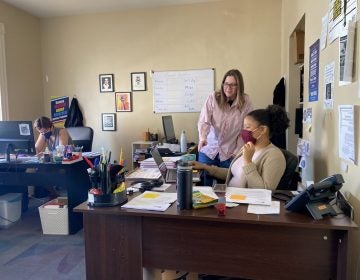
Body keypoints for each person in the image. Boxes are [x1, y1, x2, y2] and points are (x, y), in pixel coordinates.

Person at [192, 104, 290, 191]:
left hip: (245, 207)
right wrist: (205, 167)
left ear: (263, 130)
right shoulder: (248, 147)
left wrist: (248, 162)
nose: (243, 131)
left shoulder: (274, 156)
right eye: (243, 127)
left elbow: (265, 191)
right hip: (231, 199)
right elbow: (235, 174)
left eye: (247, 127)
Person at [197, 69, 253, 185]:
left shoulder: (246, 101)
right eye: (226, 84)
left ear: (239, 87)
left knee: (229, 188)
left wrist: (237, 151)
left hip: (230, 153)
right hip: (209, 150)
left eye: (233, 85)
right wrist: (203, 138)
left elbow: (245, 129)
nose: (228, 88)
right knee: (205, 189)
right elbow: (204, 121)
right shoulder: (213, 97)